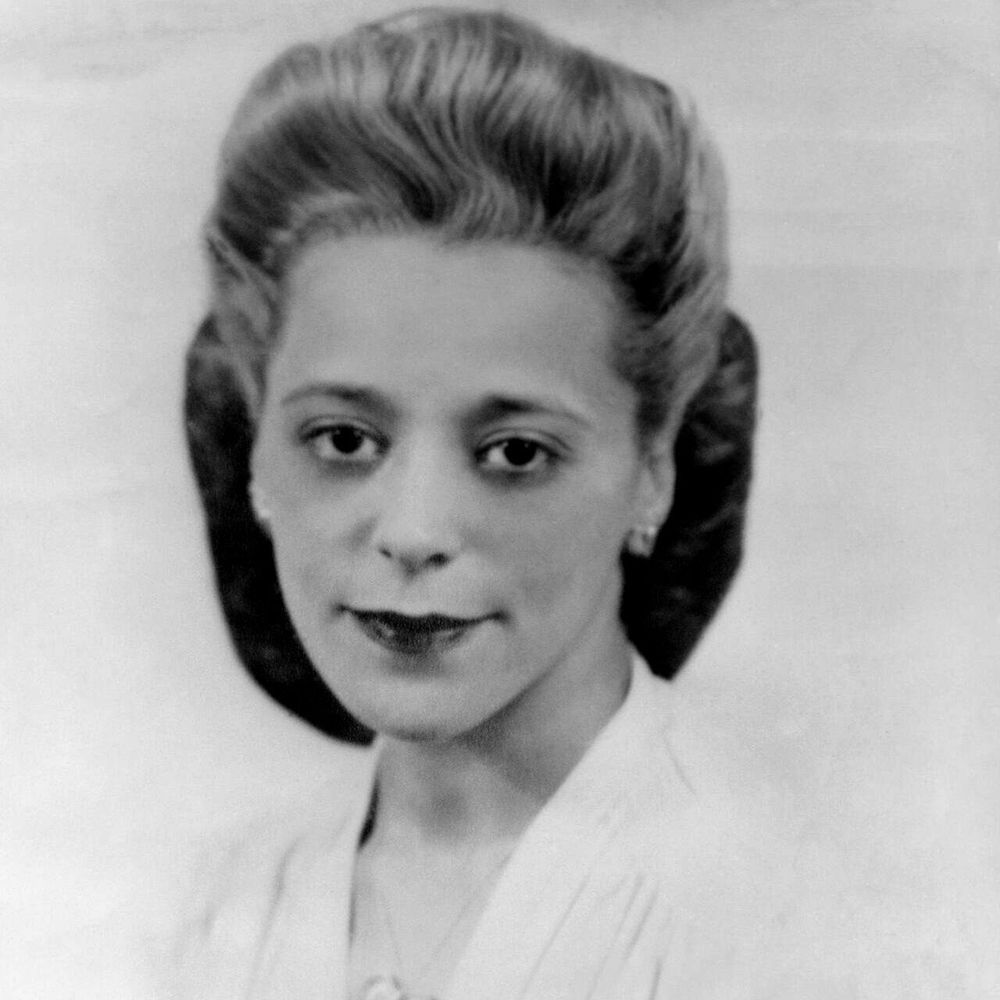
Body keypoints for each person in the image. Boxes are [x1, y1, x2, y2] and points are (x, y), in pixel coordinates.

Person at [169, 8, 833, 1000]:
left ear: (652, 467)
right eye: (344, 440)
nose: (414, 532)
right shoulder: (225, 908)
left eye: (514, 452)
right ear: (257, 443)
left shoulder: (786, 917)